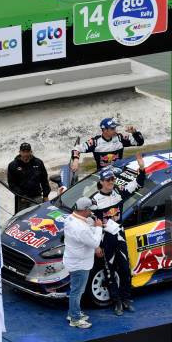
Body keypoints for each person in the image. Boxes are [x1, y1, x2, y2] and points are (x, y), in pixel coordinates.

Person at [92, 153, 146, 316]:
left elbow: (138, 184)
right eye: (108, 180)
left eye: (112, 179)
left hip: (120, 235)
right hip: (105, 238)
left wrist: (141, 168)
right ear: (101, 182)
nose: (111, 182)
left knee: (124, 268)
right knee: (109, 271)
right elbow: (90, 224)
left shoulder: (119, 192)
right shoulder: (94, 201)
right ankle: (116, 302)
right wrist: (96, 245)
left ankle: (126, 299)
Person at [62, 197, 103, 329]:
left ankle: (73, 312)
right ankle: (75, 318)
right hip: (80, 264)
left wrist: (90, 224)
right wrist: (98, 228)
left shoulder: (70, 219)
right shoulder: (82, 228)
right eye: (90, 210)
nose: (91, 212)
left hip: (72, 260)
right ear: (84, 210)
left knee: (76, 290)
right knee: (77, 292)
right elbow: (95, 243)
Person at [70, 117, 144, 171]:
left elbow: (139, 142)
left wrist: (134, 132)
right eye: (112, 129)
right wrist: (76, 161)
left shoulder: (120, 138)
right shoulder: (95, 142)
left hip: (119, 171)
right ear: (105, 130)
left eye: (115, 128)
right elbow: (76, 149)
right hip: (102, 175)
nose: (115, 130)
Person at [7, 143, 51, 212]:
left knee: (36, 216)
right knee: (22, 218)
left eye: (27, 151)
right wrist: (21, 195)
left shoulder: (38, 163)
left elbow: (44, 180)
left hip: (36, 197)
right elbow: (11, 183)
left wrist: (45, 195)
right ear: (20, 152)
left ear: (31, 152)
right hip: (21, 199)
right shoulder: (13, 165)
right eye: (23, 152)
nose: (25, 154)